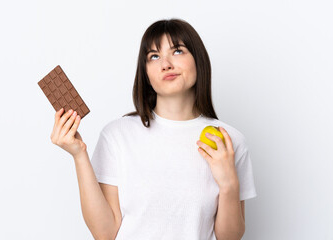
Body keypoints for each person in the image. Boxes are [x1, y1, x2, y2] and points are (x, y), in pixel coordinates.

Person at [51, 18, 257, 240]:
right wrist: (79, 155)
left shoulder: (228, 140)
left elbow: (230, 237)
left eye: (177, 51)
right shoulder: (117, 135)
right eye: (154, 56)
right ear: (146, 74)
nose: (166, 64)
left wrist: (228, 184)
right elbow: (105, 233)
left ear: (199, 61)